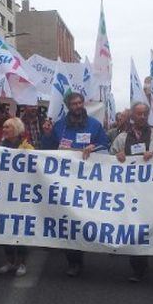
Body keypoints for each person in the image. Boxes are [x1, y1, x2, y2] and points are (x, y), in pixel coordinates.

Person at [41, 92, 109, 277]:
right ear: (68, 106)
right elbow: (47, 150)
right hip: (65, 182)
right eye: (73, 104)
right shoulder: (59, 126)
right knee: (68, 220)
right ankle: (73, 261)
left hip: (87, 183)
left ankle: (86, 249)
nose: (77, 106)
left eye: (80, 103)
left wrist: (94, 148)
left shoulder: (94, 125)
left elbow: (106, 146)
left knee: (83, 219)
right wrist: (47, 135)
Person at [110, 102, 153, 282]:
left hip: (150, 190)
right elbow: (107, 158)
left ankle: (142, 262)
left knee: (146, 225)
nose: (143, 117)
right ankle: (138, 266)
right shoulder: (122, 137)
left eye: (145, 114)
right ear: (132, 117)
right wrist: (116, 156)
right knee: (132, 225)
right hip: (128, 190)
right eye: (139, 114)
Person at [0, 117, 34, 277]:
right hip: (4, 193)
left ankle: (22, 263)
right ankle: (9, 261)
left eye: (8, 127)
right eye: (3, 127)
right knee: (5, 227)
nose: (4, 129)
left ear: (16, 130)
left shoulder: (26, 147)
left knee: (19, 228)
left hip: (20, 195)